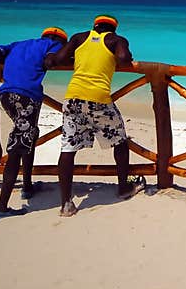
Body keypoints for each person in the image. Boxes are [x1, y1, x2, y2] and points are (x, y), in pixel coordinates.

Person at [48, 14, 144, 216]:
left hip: (73, 98)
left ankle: (66, 204)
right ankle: (124, 187)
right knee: (120, 141)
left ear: (94, 25)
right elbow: (124, 59)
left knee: (68, 148)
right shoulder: (115, 40)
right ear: (113, 29)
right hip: (98, 100)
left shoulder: (78, 38)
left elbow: (59, 58)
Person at [0, 26, 68, 220]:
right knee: (17, 148)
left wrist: (14, 66)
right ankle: (2, 207)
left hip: (6, 94)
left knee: (28, 137)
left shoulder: (18, 44)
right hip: (26, 96)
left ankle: (27, 186)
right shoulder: (53, 45)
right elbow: (50, 61)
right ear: (60, 40)